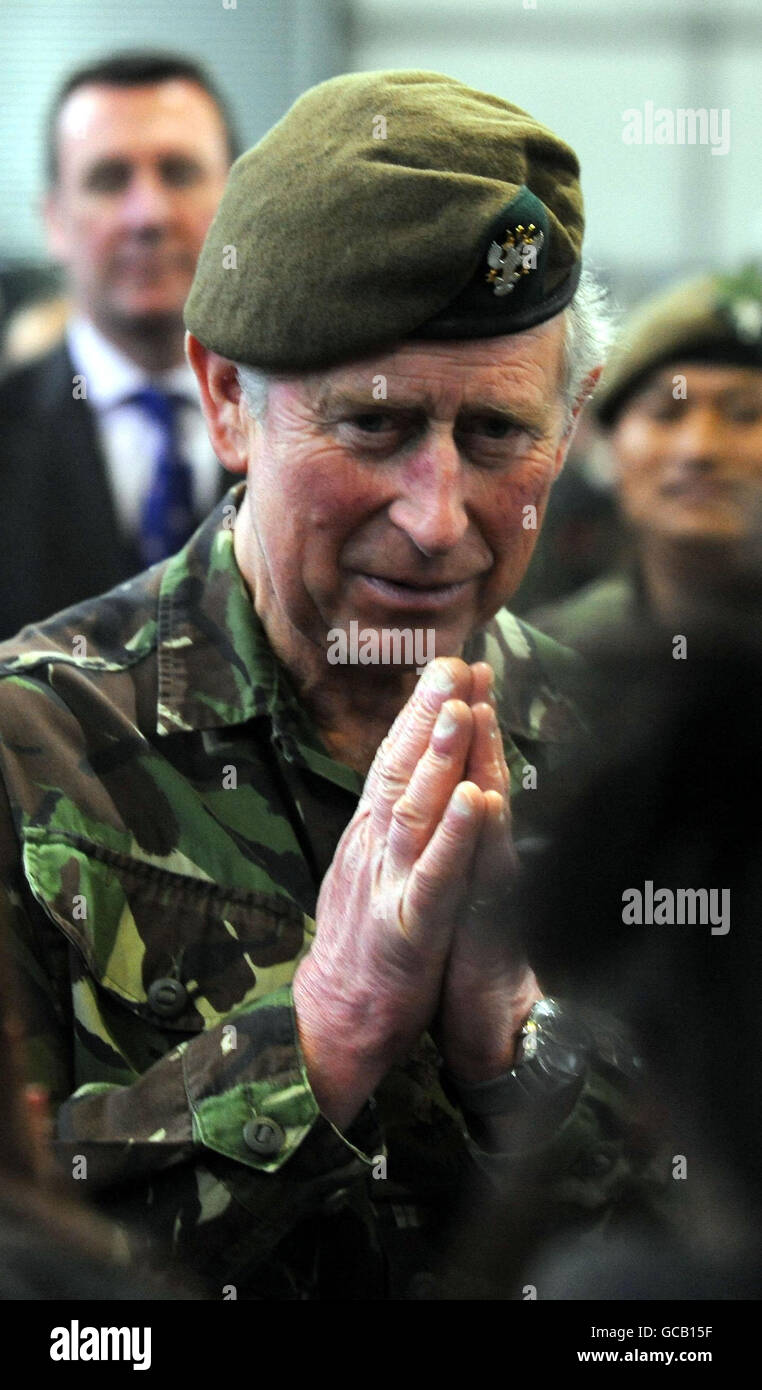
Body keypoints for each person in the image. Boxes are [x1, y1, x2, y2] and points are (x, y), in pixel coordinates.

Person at [0, 70, 644, 1301]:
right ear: (228, 398)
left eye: (498, 435)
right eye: (374, 427)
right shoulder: (34, 752)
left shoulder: (639, 759)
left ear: (574, 426)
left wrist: (524, 1064)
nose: (437, 516)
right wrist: (318, 1038)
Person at [0, 52, 237, 639]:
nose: (148, 214)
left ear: (238, 202)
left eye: (179, 172)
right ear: (55, 221)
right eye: (109, 179)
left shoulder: (317, 429)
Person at [530, 266, 762, 649]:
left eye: (744, 414)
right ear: (611, 440)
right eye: (664, 413)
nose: (698, 449)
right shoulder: (548, 664)